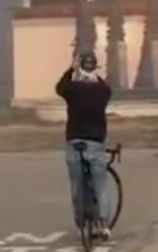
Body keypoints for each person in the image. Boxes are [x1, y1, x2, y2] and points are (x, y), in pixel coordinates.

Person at [56, 50, 112, 240]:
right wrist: (95, 74)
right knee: (100, 184)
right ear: (94, 67)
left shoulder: (72, 88)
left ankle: (81, 223)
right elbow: (106, 87)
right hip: (96, 141)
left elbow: (59, 88)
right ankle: (104, 224)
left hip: (75, 141)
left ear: (80, 67)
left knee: (77, 184)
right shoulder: (102, 91)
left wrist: (71, 70)